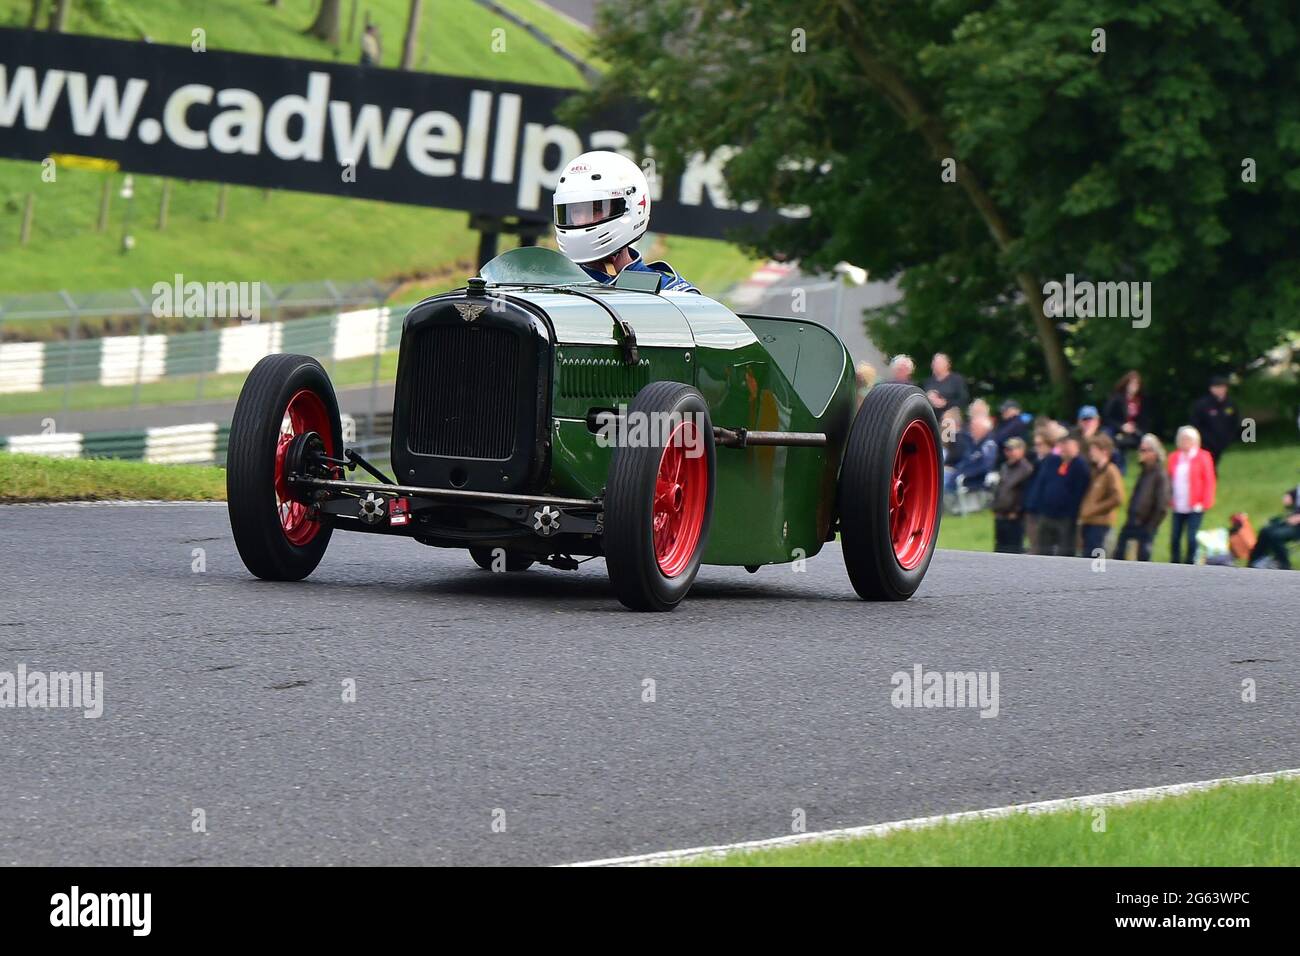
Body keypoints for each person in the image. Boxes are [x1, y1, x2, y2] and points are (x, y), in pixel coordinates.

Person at [552, 151, 698, 292]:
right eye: (576, 211)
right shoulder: (549, 287)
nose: (581, 221)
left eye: (595, 210)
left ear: (630, 207)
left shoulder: (669, 292)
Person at [1032, 431, 1090, 556]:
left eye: (1067, 444)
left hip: (1065, 518)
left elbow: (1079, 493)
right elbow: (1043, 483)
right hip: (1046, 514)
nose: (1063, 448)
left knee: (1064, 552)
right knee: (1042, 551)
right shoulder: (1053, 461)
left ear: (1076, 446)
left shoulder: (1080, 466)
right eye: (1062, 444)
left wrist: (1071, 512)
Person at [1116, 433, 1171, 561]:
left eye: (1144, 450)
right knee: (1120, 554)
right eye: (1140, 449)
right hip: (1132, 521)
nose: (1140, 453)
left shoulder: (1160, 475)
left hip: (1145, 525)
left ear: (1154, 453)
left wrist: (1150, 527)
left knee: (1142, 560)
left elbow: (1162, 506)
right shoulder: (1144, 472)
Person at [1167, 425, 1216, 564]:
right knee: (1175, 536)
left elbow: (1209, 481)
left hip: (1195, 504)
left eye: (1188, 439)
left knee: (1191, 536)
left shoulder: (1203, 457)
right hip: (1178, 503)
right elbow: (1169, 478)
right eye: (1182, 439)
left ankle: (1190, 562)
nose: (1184, 442)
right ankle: (1175, 561)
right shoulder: (1174, 457)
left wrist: (1205, 502)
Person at [1078, 433, 1126, 558]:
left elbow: (1118, 497)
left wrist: (1095, 509)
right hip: (1089, 523)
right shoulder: (1095, 471)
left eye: (1094, 450)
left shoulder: (1111, 471)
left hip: (1101, 526)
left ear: (1104, 451)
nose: (1091, 453)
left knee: (1097, 566)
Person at [991, 437, 1033, 553]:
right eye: (1007, 450)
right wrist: (995, 507)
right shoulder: (1005, 467)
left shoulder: (1026, 469)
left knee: (1013, 550)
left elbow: (1025, 493)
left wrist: (1016, 512)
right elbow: (999, 489)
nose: (1009, 452)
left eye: (1012, 449)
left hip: (1014, 518)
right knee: (999, 548)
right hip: (1000, 515)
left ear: (1022, 450)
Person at [1189, 375, 1240, 466]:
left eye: (1223, 387)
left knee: (1214, 464)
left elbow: (1234, 422)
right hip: (1205, 443)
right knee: (1206, 465)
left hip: (1221, 442)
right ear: (1211, 389)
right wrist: (1204, 440)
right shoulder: (1202, 405)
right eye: (1217, 387)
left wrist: (1229, 438)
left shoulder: (1230, 404)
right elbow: (1196, 424)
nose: (1221, 390)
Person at [1248, 487, 1300, 569]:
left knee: (1275, 535)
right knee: (1265, 530)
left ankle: (1284, 564)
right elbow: (1293, 493)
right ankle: (1255, 561)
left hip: (1297, 527)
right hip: (1291, 521)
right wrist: (1289, 496)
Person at [946, 413, 998, 494]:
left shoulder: (988, 445)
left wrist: (962, 474)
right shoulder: (974, 443)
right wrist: (955, 468)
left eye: (974, 427)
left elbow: (984, 466)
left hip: (972, 481)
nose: (971, 430)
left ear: (983, 429)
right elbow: (966, 460)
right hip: (958, 475)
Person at [1102, 370, 1146, 454]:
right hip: (1116, 429)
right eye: (1132, 384)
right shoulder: (1117, 398)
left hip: (1134, 431)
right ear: (1126, 384)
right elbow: (1107, 417)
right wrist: (1121, 426)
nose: (1134, 387)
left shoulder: (1140, 400)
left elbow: (1144, 420)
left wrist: (1135, 427)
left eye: (1136, 384)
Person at [1078, 404, 1124, 474]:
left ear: (1097, 421)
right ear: (1079, 422)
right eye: (1085, 419)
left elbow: (1116, 460)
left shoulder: (1105, 437)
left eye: (1090, 419)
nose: (1088, 423)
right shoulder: (1073, 437)